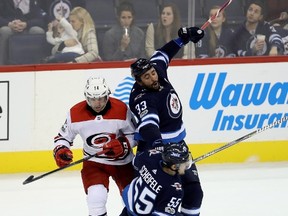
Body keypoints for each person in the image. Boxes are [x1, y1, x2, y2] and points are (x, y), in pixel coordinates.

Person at [128, 26, 204, 215]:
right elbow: (149, 126)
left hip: (178, 146)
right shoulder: (142, 96)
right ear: (139, 81)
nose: (153, 78)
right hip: (154, 151)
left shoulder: (157, 72)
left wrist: (183, 39)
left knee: (194, 192)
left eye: (152, 73)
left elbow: (163, 54)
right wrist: (161, 147)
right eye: (147, 77)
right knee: (159, 198)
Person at [53, 76, 136, 216]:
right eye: (93, 99)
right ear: (87, 98)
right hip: (94, 162)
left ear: (107, 95)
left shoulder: (121, 109)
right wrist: (61, 149)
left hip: (123, 162)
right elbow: (62, 137)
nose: (98, 103)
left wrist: (124, 145)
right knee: (96, 198)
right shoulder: (75, 113)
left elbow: (135, 134)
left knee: (132, 200)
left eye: (102, 98)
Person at [121, 142, 192, 215]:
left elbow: (135, 162)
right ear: (174, 167)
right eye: (185, 162)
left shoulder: (149, 157)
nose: (187, 164)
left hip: (129, 203)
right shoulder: (175, 190)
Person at [0, 0, 46, 65]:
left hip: (26, 27)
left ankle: (38, 65)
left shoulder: (32, 2)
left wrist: (26, 24)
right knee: (4, 31)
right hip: (9, 26)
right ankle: (2, 65)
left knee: (38, 31)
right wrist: (9, 24)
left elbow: (41, 19)